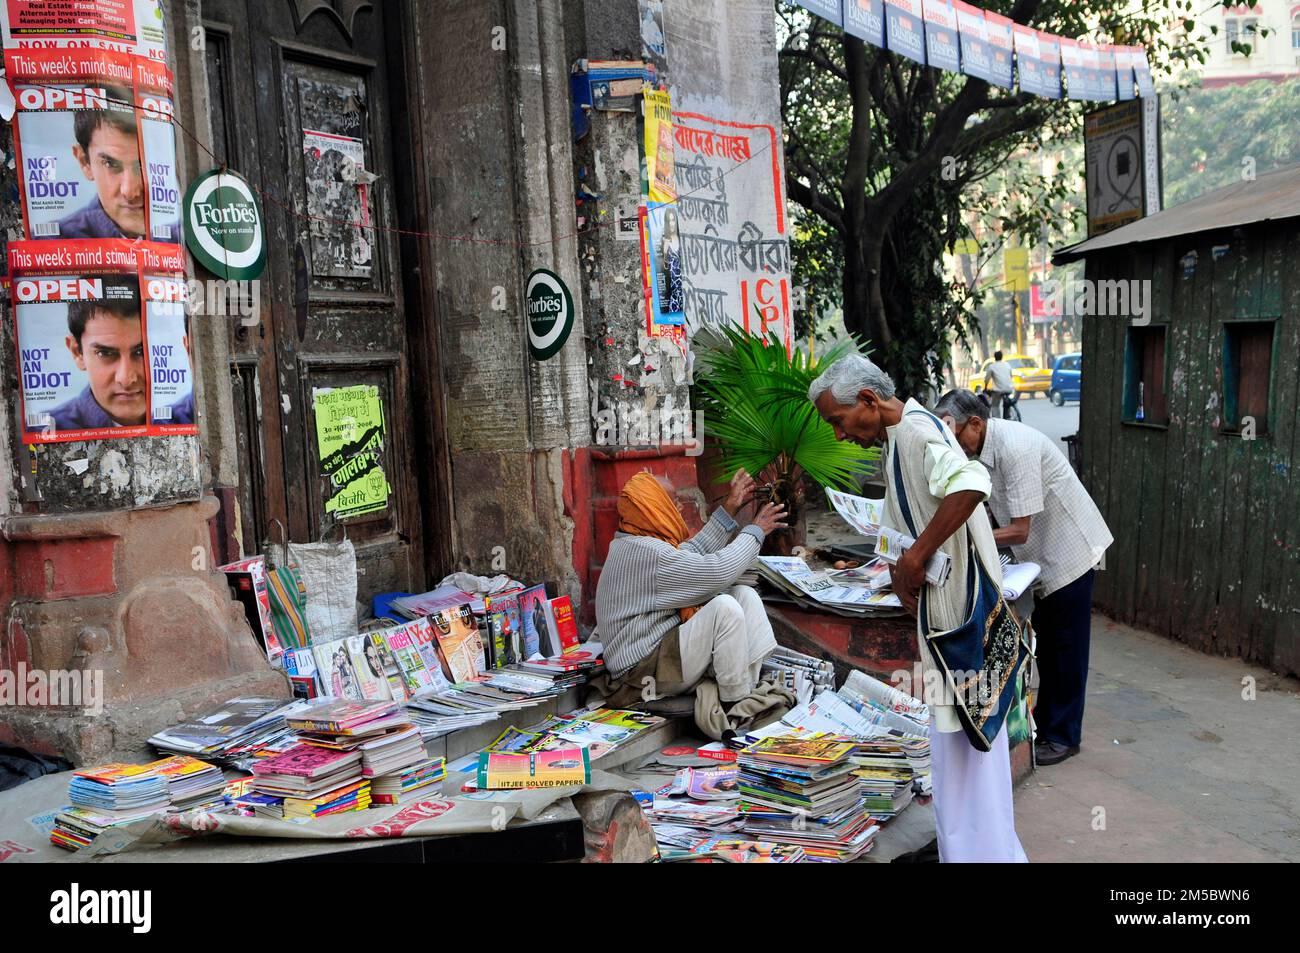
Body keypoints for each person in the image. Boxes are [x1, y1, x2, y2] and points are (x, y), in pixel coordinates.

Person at [809, 353, 1027, 863]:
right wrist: (897, 562)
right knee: (964, 750)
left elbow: (971, 485)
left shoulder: (914, 432)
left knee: (967, 751)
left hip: (961, 622)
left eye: (838, 423)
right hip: (950, 621)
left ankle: (982, 855)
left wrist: (916, 554)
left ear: (867, 400)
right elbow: (907, 518)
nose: (840, 436)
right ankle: (982, 852)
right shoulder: (899, 438)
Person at [933, 389, 1114, 766]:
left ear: (976, 424)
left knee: (1066, 650)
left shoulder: (1016, 448)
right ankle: (1047, 727)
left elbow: (1019, 530)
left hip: (1069, 553)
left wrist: (959, 538)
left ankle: (1063, 737)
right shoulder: (982, 450)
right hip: (1040, 559)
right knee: (1048, 646)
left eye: (953, 432)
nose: (951, 442)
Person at [595, 468, 787, 706]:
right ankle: (736, 703)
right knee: (724, 607)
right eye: (673, 501)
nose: (680, 508)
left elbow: (691, 553)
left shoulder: (640, 542)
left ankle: (745, 687)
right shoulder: (646, 553)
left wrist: (730, 508)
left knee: (744, 595)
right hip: (640, 674)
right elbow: (717, 572)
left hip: (661, 656)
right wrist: (755, 531)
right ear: (655, 508)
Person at [57, 90, 180, 242]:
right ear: (84, 162)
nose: (130, 192)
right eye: (110, 163)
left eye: (145, 165)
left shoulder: (181, 236)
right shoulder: (55, 240)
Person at [48, 282, 147, 430]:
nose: (126, 379)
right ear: (77, 352)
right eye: (105, 353)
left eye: (141, 352)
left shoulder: (185, 415)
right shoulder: (46, 429)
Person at [983, 350, 1015, 419]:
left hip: (998, 390)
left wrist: (985, 388)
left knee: (995, 405)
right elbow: (1011, 375)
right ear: (1002, 357)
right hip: (1009, 388)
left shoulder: (992, 366)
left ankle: (998, 420)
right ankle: (1008, 416)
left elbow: (987, 379)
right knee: (1008, 403)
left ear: (994, 357)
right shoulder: (1007, 364)